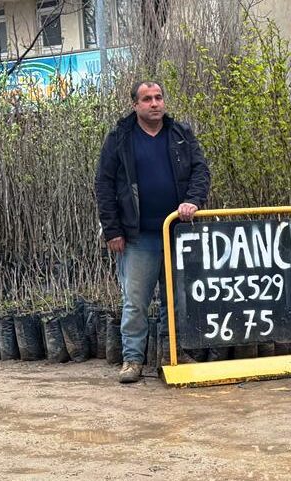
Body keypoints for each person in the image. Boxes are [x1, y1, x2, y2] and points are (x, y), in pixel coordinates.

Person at [95, 80, 211, 384]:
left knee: (177, 300)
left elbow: (201, 170)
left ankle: (171, 355)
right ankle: (132, 359)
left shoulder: (180, 134)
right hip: (137, 236)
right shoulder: (120, 138)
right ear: (135, 105)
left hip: (177, 232)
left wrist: (193, 200)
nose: (155, 103)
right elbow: (104, 185)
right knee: (135, 301)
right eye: (147, 99)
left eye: (159, 97)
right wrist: (112, 230)